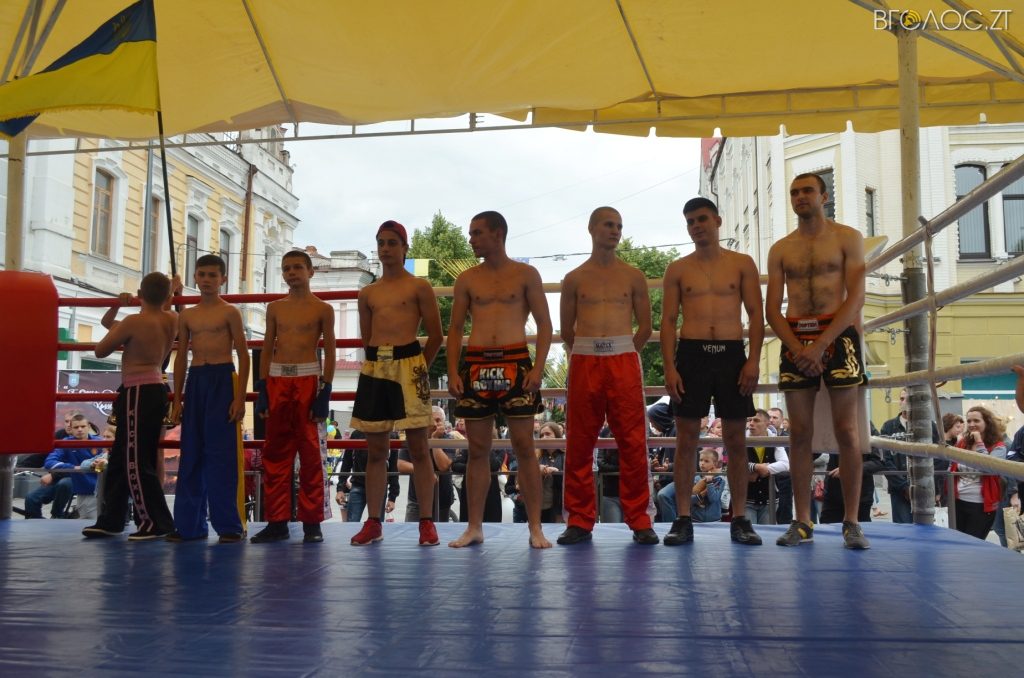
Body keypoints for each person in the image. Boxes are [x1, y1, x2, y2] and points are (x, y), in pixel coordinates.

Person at [766, 173, 870, 550]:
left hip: (838, 334)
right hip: (795, 336)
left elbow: (856, 296)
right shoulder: (781, 248)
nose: (800, 197)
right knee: (799, 433)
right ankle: (802, 520)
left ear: (823, 196)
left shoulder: (847, 238)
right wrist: (799, 348)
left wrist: (823, 343)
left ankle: (852, 522)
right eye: (794, 192)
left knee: (847, 431)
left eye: (807, 190)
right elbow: (772, 309)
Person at [660, 197, 764, 546]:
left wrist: (753, 360)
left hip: (732, 354)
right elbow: (668, 321)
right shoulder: (677, 269)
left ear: (717, 221)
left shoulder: (741, 264)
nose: (696, 226)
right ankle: (682, 518)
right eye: (690, 221)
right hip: (692, 355)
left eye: (702, 219)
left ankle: (740, 518)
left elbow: (756, 314)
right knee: (685, 440)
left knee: (736, 440)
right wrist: (670, 367)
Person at [447, 210, 553, 549]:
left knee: (524, 447)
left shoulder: (525, 274)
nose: (471, 239)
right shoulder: (467, 279)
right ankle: (474, 527)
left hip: (515, 361)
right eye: (471, 233)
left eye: (477, 233)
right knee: (477, 450)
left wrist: (538, 368)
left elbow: (545, 324)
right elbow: (455, 329)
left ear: (498, 234)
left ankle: (535, 528)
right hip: (476, 363)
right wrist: (453, 371)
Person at [557, 206, 656, 545]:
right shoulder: (573, 278)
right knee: (579, 442)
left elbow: (646, 327)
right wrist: (590, 351)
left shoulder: (633, 276)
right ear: (591, 228)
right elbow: (565, 330)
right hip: (585, 359)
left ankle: (640, 518)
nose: (615, 231)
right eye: (609, 225)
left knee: (633, 441)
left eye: (619, 226)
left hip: (623, 359)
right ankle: (579, 519)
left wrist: (622, 351)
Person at [346, 221, 443, 545]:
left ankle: (426, 522)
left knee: (419, 447)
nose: (385, 248)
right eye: (381, 243)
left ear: (404, 248)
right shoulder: (368, 293)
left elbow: (436, 335)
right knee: (376, 450)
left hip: (410, 364)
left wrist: (419, 369)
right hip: (377, 365)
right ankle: (374, 522)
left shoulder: (419, 287)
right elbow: (367, 338)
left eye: (391, 242)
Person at [83, 272, 179, 540]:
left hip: (138, 391)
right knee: (121, 456)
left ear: (139, 294)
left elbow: (101, 350)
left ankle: (155, 522)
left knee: (135, 459)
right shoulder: (171, 318)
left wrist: (119, 304)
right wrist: (172, 292)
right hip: (153, 390)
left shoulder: (133, 322)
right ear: (167, 297)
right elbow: (113, 322)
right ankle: (111, 519)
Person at [251, 250, 336, 544]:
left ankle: (312, 523)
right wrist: (262, 388)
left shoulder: (323, 309)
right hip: (277, 380)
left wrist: (325, 390)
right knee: (275, 453)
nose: (291, 272)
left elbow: (331, 351)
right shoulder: (275, 308)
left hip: (308, 381)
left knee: (311, 454)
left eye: (298, 267)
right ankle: (277, 522)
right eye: (286, 268)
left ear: (311, 271)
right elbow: (267, 346)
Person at [168, 254, 250, 543]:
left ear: (222, 279)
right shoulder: (187, 315)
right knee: (191, 453)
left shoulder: (230, 312)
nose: (206, 280)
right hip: (196, 380)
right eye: (202, 274)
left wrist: (240, 398)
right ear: (195, 277)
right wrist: (177, 399)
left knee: (221, 455)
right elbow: (181, 357)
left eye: (212, 275)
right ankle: (189, 527)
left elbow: (243, 354)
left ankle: (229, 526)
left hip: (222, 379)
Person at [878, 388, 941, 524]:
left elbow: (939, 457)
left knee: (926, 527)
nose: (904, 402)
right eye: (902, 399)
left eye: (908, 399)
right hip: (899, 491)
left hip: (926, 488)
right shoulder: (889, 427)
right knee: (903, 528)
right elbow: (885, 459)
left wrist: (933, 485)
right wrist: (903, 487)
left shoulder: (930, 426)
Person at [24, 414, 102, 519]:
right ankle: (47, 520)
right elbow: (49, 461)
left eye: (83, 426)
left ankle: (57, 515)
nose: (80, 429)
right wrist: (74, 468)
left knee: (65, 484)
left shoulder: (100, 442)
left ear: (88, 426)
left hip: (92, 488)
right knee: (31, 498)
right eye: (76, 427)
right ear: (71, 429)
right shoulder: (65, 442)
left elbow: (107, 462)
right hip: (72, 481)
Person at [950, 406, 1007, 541]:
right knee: (957, 543)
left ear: (987, 422)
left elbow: (988, 468)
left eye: (976, 421)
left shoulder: (999, 446)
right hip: (958, 501)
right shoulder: (963, 443)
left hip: (981, 505)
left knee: (972, 545)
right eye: (969, 421)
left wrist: (979, 442)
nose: (971, 424)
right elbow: (952, 466)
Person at [398, 408, 456, 525]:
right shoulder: (414, 438)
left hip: (442, 499)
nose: (434, 424)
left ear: (444, 422)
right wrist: (426, 472)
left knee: (440, 532)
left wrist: (434, 439)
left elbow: (443, 466)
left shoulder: (448, 439)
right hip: (416, 500)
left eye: (438, 420)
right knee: (411, 532)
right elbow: (400, 465)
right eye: (431, 420)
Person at [336, 429, 400, 523]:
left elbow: (393, 468)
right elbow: (347, 462)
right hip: (359, 485)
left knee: (376, 524)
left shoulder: (391, 436)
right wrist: (340, 489)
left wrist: (392, 498)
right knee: (352, 523)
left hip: (378, 487)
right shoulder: (356, 434)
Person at [743, 409, 790, 524]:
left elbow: (785, 463)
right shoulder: (741, 439)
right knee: (749, 531)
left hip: (769, 499)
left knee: (767, 532)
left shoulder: (774, 439)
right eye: (750, 420)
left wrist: (765, 468)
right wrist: (756, 466)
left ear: (767, 424)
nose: (751, 423)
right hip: (746, 498)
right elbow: (733, 462)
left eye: (756, 420)